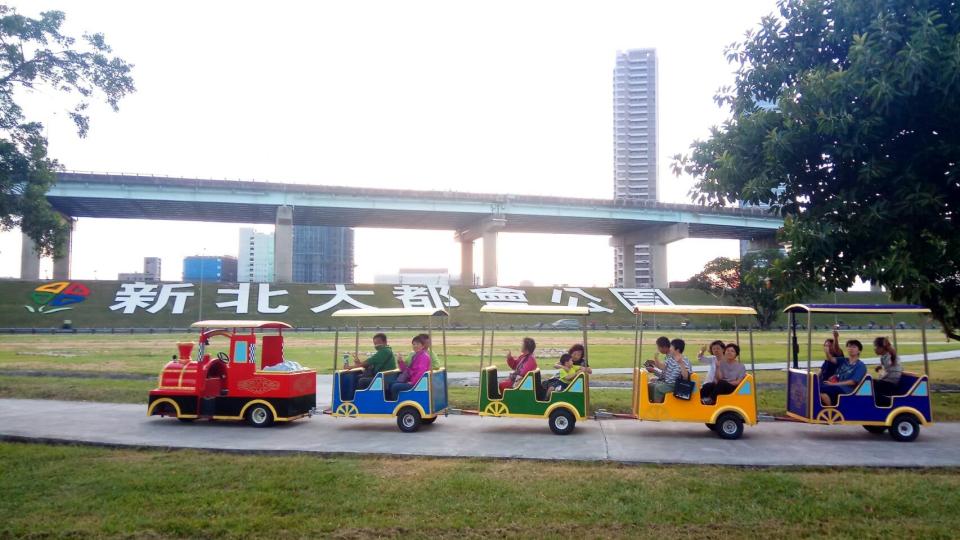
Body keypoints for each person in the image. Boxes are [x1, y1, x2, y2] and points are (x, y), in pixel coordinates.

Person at [820, 339, 867, 405]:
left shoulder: (860, 365)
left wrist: (833, 384)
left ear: (859, 350)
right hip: (835, 386)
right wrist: (827, 352)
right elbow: (831, 359)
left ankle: (831, 409)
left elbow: (852, 382)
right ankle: (828, 406)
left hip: (846, 390)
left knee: (820, 389)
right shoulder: (843, 360)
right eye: (849, 346)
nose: (851, 349)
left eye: (854, 347)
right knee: (816, 387)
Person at [647, 338, 691, 403]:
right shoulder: (671, 358)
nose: (669, 349)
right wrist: (656, 359)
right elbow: (662, 367)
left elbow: (685, 377)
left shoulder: (684, 360)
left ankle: (657, 407)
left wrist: (681, 363)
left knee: (658, 388)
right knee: (650, 385)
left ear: (677, 350)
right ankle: (652, 403)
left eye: (671, 347)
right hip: (668, 383)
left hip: (676, 384)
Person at [388, 335, 431, 400]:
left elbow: (421, 372)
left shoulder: (423, 357)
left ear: (422, 346)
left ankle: (396, 404)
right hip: (412, 380)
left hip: (417, 383)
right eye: (414, 344)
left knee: (395, 387)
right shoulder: (416, 356)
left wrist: (413, 382)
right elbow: (407, 371)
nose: (415, 346)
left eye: (417, 344)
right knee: (391, 383)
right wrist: (400, 362)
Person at [873, 337, 902, 406]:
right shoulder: (883, 357)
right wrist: (880, 367)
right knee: (871, 383)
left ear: (882, 348)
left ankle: (886, 401)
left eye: (876, 347)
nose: (875, 349)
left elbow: (891, 370)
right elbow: (886, 367)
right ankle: (878, 400)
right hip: (888, 381)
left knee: (871, 384)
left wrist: (880, 377)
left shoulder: (891, 356)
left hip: (891, 383)